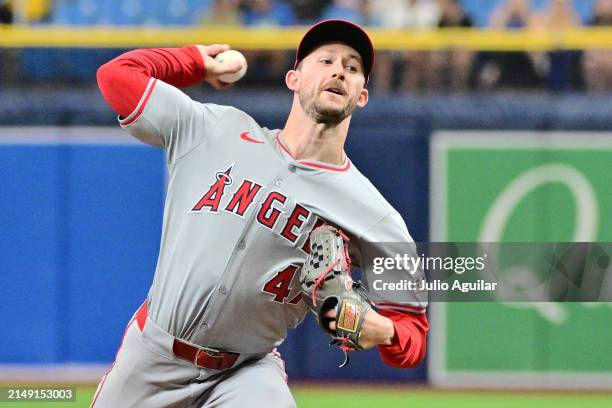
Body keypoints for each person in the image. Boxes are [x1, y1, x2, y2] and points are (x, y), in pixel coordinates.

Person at [93, 19, 428, 407]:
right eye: (325, 61)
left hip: (245, 371)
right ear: (293, 79)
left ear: (361, 95)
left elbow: (413, 333)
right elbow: (116, 78)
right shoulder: (214, 130)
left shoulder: (373, 215)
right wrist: (195, 61)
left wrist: (383, 330)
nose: (339, 70)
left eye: (352, 67)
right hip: (152, 355)